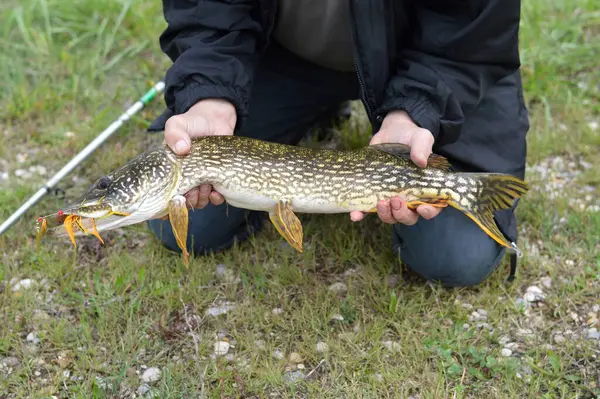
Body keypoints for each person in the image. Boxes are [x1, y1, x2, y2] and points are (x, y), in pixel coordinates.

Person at [147, 0, 529, 287]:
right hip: (288, 57)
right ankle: (315, 106)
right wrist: (210, 92)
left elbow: (470, 29)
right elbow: (207, 8)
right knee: (187, 223)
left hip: (444, 61)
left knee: (457, 257)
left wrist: (416, 112)